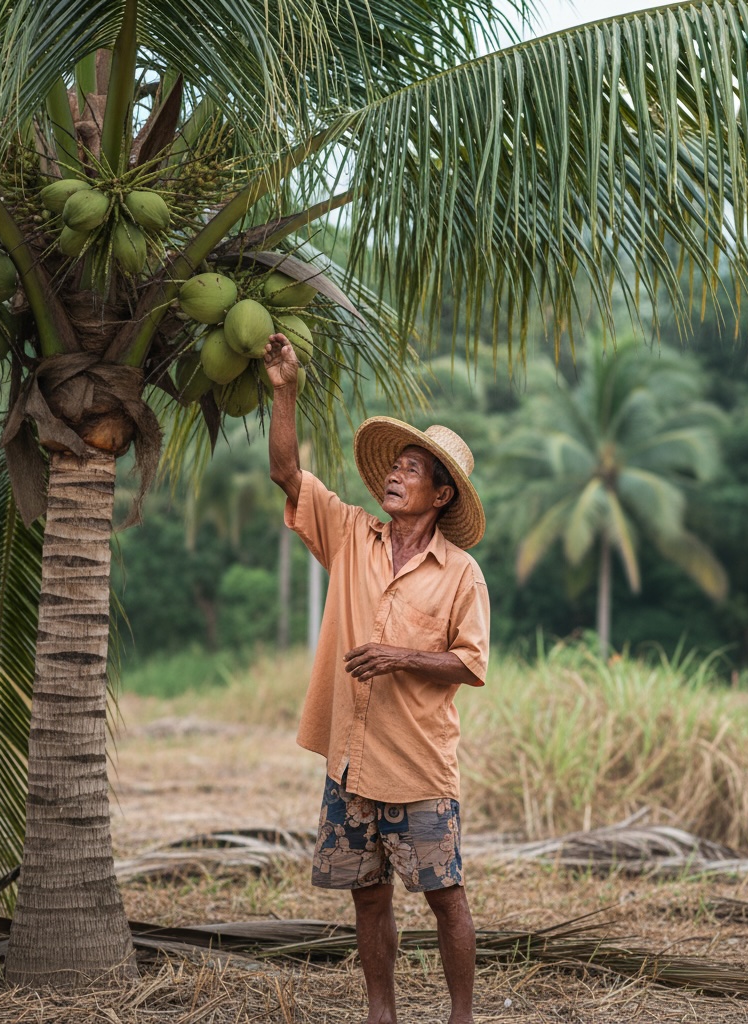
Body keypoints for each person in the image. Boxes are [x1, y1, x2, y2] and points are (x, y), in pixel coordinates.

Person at [263, 333, 490, 1024]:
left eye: (413, 467)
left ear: (441, 493)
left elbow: (471, 663)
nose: (395, 473)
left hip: (418, 767)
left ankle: (460, 1016)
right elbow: (286, 475)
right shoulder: (349, 534)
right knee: (368, 895)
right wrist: (284, 391)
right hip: (351, 761)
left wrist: (400, 657)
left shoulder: (460, 575)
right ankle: (380, 1012)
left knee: (444, 895)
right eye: (395, 463)